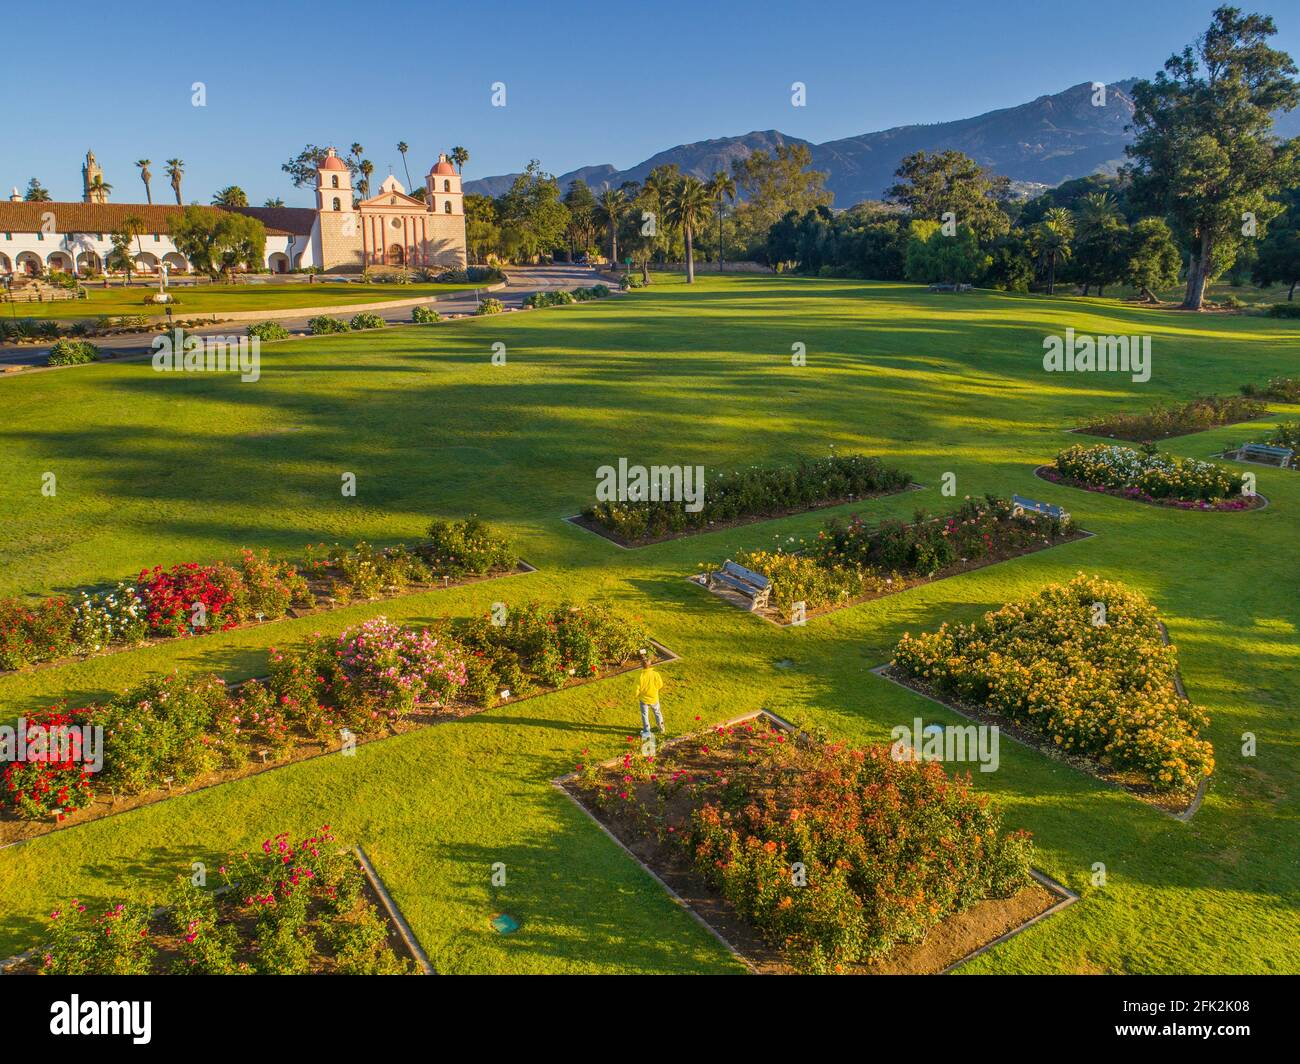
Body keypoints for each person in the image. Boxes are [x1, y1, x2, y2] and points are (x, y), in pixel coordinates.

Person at [636, 653, 664, 735]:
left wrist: (637, 695)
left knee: (645, 715)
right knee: (657, 712)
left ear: (642, 665)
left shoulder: (640, 676)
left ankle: (646, 730)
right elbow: (660, 684)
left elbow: (637, 688)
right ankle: (661, 728)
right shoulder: (655, 674)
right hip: (654, 698)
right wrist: (655, 690)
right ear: (650, 665)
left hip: (644, 700)